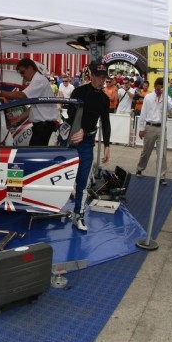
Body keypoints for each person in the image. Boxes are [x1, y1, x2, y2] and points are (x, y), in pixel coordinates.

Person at [69, 60, 111, 232]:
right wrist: (77, 131)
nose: (101, 80)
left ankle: (78, 214)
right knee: (59, 177)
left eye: (103, 77)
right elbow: (71, 114)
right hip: (70, 139)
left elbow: (106, 123)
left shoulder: (104, 98)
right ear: (91, 75)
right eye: (98, 76)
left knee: (83, 180)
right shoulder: (78, 91)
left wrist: (107, 145)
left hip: (86, 142)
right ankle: (46, 207)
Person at [0, 58, 57, 146]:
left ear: (30, 68)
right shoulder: (39, 80)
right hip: (42, 126)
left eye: (22, 72)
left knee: (35, 155)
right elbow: (37, 106)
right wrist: (20, 117)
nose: (22, 76)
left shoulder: (39, 80)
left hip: (43, 127)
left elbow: (22, 95)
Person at [135, 77, 172, 183]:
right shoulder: (148, 97)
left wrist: (164, 96)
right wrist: (141, 128)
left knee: (162, 153)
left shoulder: (166, 97)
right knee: (146, 151)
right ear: (155, 86)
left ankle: (161, 176)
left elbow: (170, 109)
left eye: (161, 87)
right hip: (150, 126)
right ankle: (140, 168)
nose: (159, 89)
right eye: (158, 87)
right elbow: (143, 113)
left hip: (161, 127)